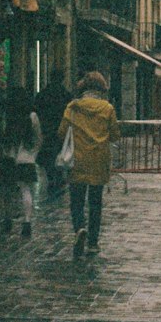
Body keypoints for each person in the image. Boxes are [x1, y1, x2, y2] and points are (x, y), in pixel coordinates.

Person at [58, 71, 121, 259]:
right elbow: (115, 134)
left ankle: (79, 228)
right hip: (99, 160)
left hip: (77, 160)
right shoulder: (107, 108)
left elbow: (62, 132)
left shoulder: (73, 107)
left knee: (76, 201)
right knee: (95, 203)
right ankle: (93, 243)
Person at [0, 84, 42, 239]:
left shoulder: (4, 116)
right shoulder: (31, 116)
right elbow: (38, 137)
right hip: (26, 158)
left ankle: (8, 219)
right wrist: (33, 153)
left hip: (8, 157)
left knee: (7, 191)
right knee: (26, 189)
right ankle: (27, 222)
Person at [35, 67, 72, 195]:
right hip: (61, 130)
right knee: (60, 154)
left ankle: (51, 178)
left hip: (46, 129)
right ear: (62, 79)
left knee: (48, 156)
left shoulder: (43, 94)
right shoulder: (66, 95)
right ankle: (59, 177)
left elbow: (37, 110)